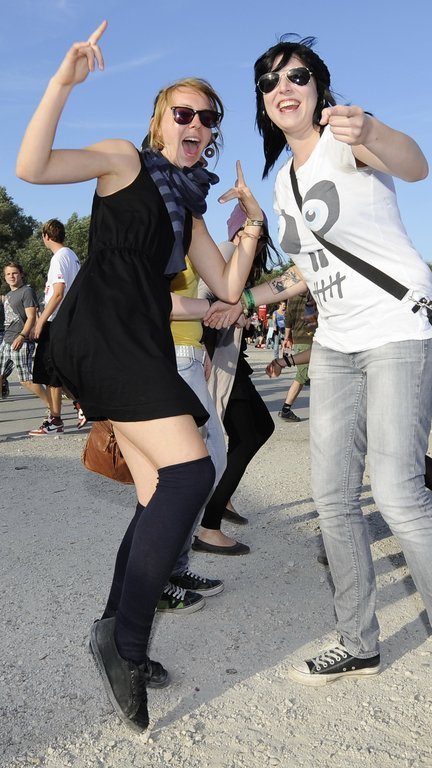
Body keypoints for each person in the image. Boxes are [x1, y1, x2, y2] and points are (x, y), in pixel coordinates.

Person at [249, 35, 432, 767]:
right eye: (271, 80)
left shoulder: (346, 137)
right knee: (331, 498)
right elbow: (306, 272)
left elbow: (415, 164)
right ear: (264, 101)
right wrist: (244, 299)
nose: (284, 86)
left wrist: (373, 130)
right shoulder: (282, 183)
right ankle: (358, 642)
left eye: (298, 75)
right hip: (335, 344)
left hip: (396, 333)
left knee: (397, 493)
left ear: (319, 89)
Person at [16, 20, 265, 733]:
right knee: (190, 475)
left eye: (208, 118)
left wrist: (250, 225)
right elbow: (31, 167)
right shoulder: (123, 161)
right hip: (102, 332)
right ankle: (123, 642)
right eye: (183, 113)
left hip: (140, 341)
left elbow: (226, 290)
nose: (196, 125)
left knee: (158, 491)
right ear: (159, 121)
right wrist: (61, 83)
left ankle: (112, 625)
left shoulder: (189, 208)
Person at [268, 346, 432, 570]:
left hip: (401, 365)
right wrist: (286, 361)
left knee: (398, 454)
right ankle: (343, 535)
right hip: (368, 371)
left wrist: (286, 361)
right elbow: (333, 340)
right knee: (362, 443)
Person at [193, 204, 279, 554]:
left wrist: (239, 314)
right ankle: (209, 526)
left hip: (231, 360)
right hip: (219, 361)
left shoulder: (241, 256)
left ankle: (222, 496)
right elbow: (202, 297)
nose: (255, 240)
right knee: (249, 435)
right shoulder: (228, 250)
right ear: (238, 231)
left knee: (258, 429)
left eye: (259, 235)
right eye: (250, 232)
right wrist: (207, 350)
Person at [157, 254, 227, 614]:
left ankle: (174, 568)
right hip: (175, 358)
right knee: (189, 474)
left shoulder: (182, 238)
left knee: (207, 467)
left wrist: (200, 349)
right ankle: (159, 578)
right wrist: (213, 308)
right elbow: (155, 299)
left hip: (189, 356)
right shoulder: (164, 236)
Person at [28, 219, 81, 435]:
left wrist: (40, 321)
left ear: (46, 236)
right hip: (69, 319)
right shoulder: (72, 256)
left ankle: (59, 417)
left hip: (56, 321)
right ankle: (72, 408)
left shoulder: (59, 257)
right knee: (57, 369)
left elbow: (58, 293)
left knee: (49, 371)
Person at [0, 262, 50, 409]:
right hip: (6, 341)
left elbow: (31, 317)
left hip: (21, 341)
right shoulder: (9, 295)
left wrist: (22, 336)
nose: (11, 276)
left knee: (26, 381)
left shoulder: (26, 291)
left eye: (14, 273)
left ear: (21, 274)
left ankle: (53, 409)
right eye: (8, 274)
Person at [278, 290, 313, 421]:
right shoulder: (313, 292)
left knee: (310, 375)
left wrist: (287, 337)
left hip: (299, 338)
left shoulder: (292, 296)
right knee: (303, 376)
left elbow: (289, 318)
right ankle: (286, 409)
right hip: (309, 339)